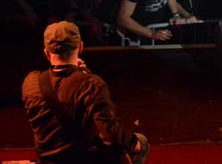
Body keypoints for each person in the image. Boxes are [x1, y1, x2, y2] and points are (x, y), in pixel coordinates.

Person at [22, 21, 149, 164]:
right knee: (141, 141)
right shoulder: (91, 84)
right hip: (83, 159)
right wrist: (136, 144)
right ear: (81, 47)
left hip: (47, 159)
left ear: (46, 53)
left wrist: (81, 73)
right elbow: (109, 135)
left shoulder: (30, 82)